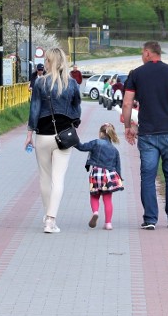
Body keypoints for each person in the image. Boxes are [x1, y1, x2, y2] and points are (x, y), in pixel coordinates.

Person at [121, 41, 168, 230]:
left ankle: (150, 219)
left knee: (147, 176)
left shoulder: (136, 74)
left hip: (148, 134)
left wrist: (128, 126)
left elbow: (127, 103)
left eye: (141, 53)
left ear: (147, 53)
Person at [24, 47, 81, 234]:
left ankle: (48, 215)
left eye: (47, 60)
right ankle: (51, 219)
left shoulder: (40, 83)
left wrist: (29, 134)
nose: (45, 63)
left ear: (50, 62)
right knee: (58, 179)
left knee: (44, 178)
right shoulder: (71, 83)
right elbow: (77, 110)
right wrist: (73, 122)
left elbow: (34, 110)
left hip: (43, 135)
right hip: (63, 135)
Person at [76, 123, 124, 231]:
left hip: (96, 173)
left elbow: (82, 147)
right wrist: (120, 178)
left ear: (101, 133)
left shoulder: (96, 143)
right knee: (107, 199)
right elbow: (118, 166)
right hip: (109, 175)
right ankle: (108, 224)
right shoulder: (114, 150)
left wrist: (73, 140)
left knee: (94, 196)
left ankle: (95, 212)